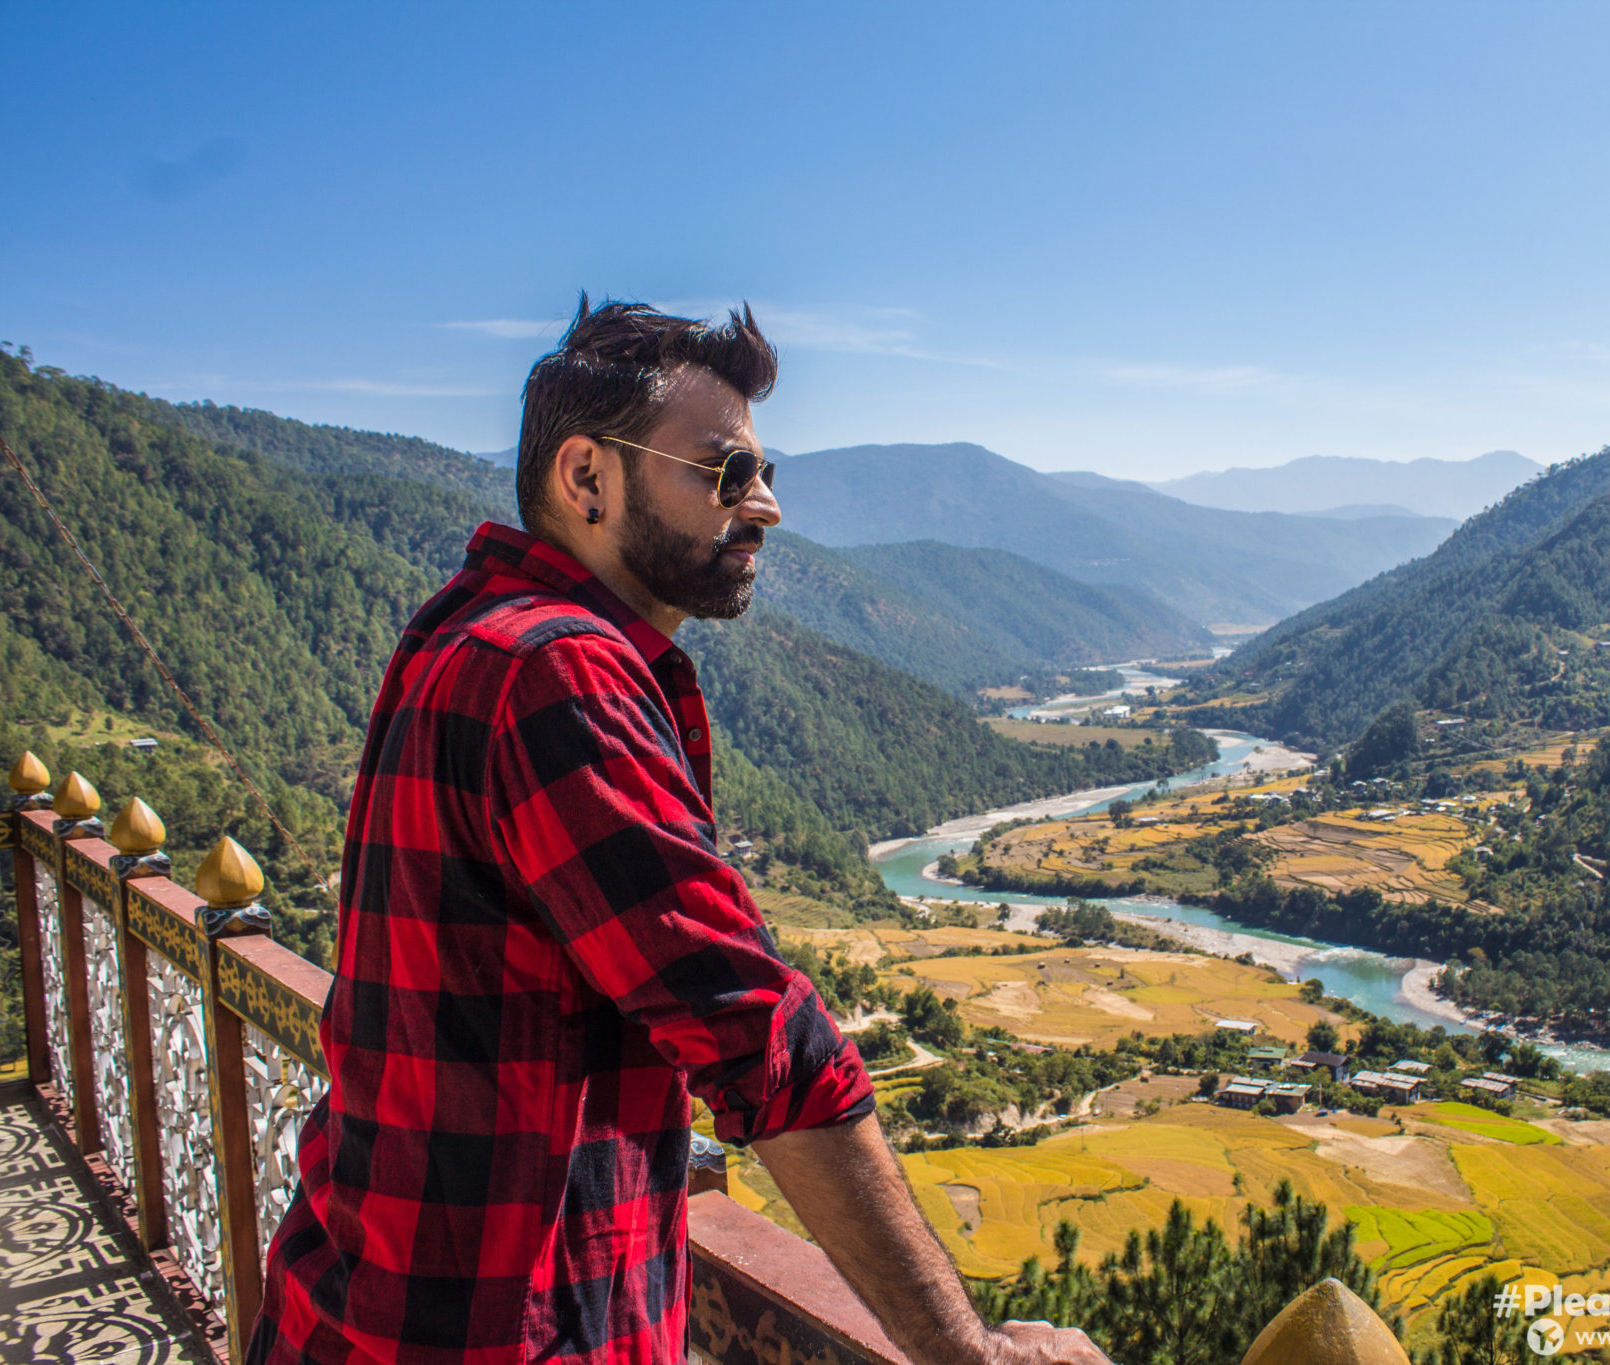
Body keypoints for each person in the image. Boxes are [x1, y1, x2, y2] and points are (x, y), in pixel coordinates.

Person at [249, 298, 1108, 1365]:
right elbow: (756, 1036)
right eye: (724, 473)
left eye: (766, 474)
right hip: (492, 1329)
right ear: (586, 479)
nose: (764, 510)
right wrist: (970, 1353)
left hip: (358, 1299)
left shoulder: (462, 634)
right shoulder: (554, 673)